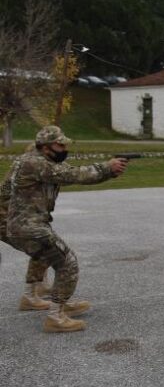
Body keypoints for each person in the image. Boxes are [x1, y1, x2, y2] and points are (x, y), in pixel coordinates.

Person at [6, 126, 128, 332]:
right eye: (59, 144)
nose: (64, 148)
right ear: (45, 147)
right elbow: (74, 174)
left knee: (44, 256)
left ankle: (38, 298)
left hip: (25, 225)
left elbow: (70, 173)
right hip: (29, 227)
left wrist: (109, 172)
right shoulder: (36, 163)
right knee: (67, 263)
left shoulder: (37, 161)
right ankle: (56, 316)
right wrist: (107, 167)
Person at [1, 144, 54, 311]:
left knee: (44, 242)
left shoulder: (20, 167)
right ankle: (30, 297)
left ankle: (40, 286)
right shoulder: (30, 170)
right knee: (43, 247)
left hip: (11, 217)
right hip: (5, 219)